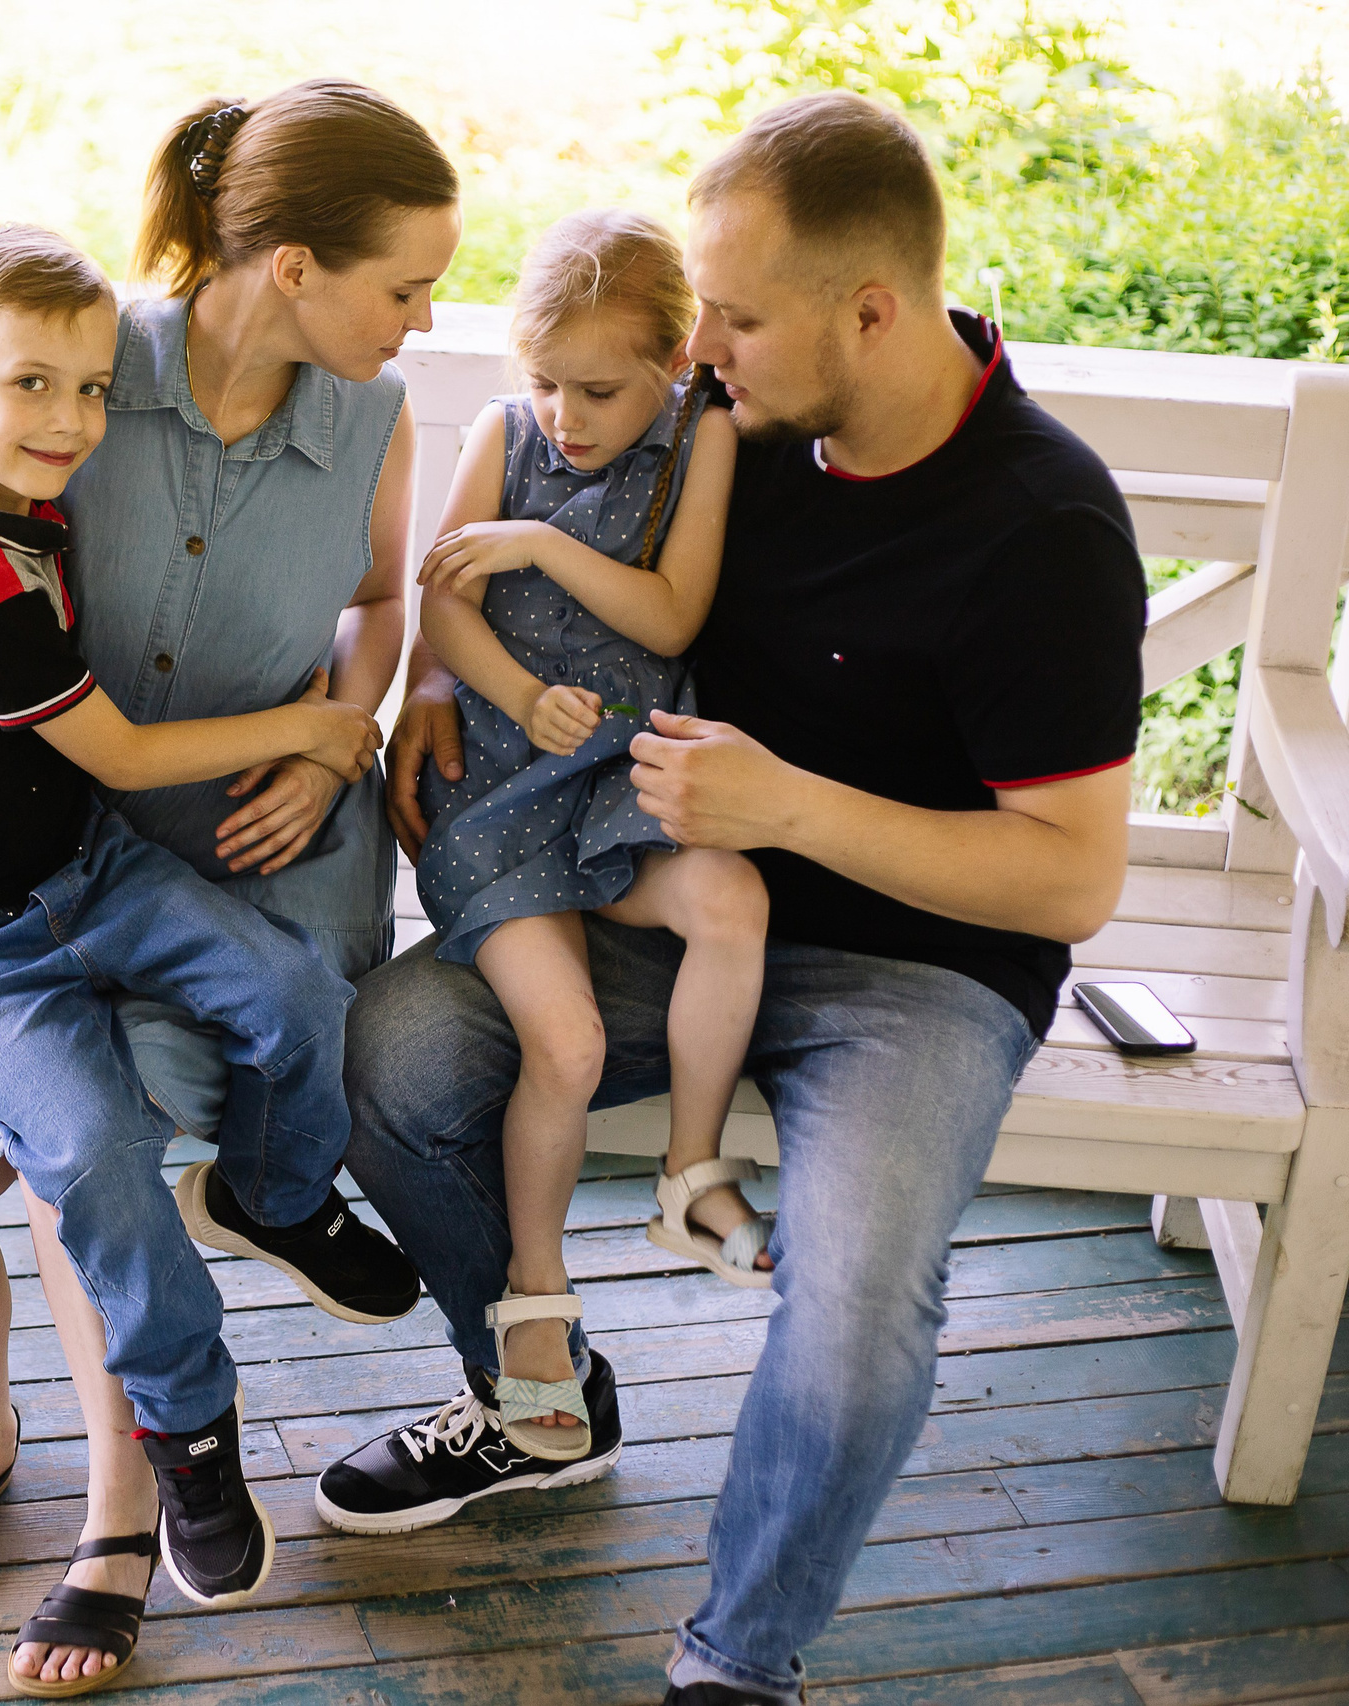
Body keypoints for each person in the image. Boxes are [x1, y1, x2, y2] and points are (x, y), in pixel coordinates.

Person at [322, 92, 1145, 1706]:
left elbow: (1074, 874)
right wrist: (437, 689)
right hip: (652, 890)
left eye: (741, 315)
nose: (706, 345)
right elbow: (534, 503)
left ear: (872, 311)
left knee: (849, 1321)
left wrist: (790, 807)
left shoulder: (1042, 524)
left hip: (919, 976)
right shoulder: (730, 427)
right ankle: (533, 1398)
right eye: (704, 306)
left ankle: (736, 1658)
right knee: (397, 1057)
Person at [0, 81, 464, 1696]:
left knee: (93, 1166)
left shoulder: (370, 420)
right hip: (9, 880)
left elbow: (378, 608)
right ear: (296, 265)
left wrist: (338, 743)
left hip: (217, 852)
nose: (430, 317)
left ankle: (127, 1508)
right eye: (409, 282)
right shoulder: (83, 372)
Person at [400, 207, 770, 1473]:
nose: (563, 413)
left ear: (674, 361)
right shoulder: (499, 435)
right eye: (545, 380)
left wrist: (543, 540)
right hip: (502, 789)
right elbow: (440, 610)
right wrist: (510, 692)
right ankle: (536, 1288)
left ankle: (689, 1172)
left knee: (729, 900)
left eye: (598, 388)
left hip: (624, 771)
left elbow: (673, 611)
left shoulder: (696, 441)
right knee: (564, 1038)